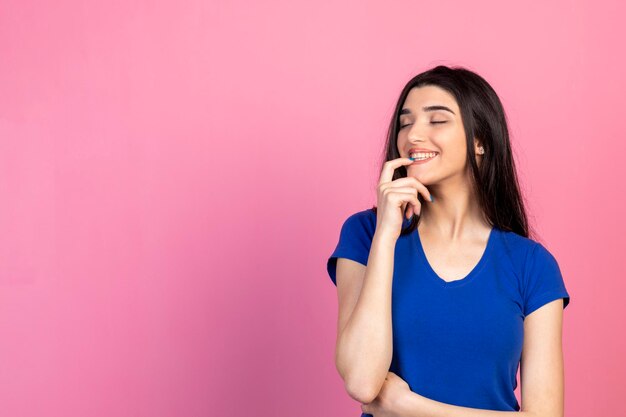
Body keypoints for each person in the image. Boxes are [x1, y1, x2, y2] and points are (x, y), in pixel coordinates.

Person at [326, 65, 571, 417]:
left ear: (480, 141)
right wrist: (386, 234)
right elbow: (362, 382)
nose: (413, 136)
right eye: (405, 122)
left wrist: (405, 406)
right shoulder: (365, 234)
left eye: (436, 120)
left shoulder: (532, 265)